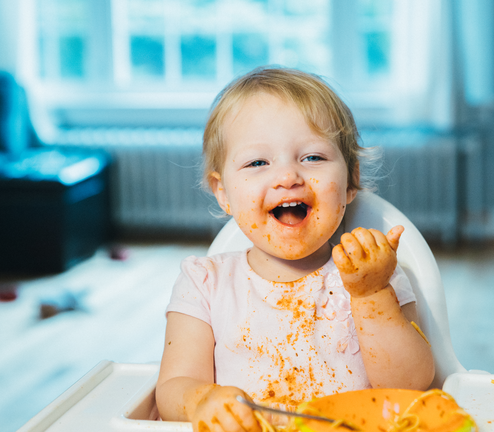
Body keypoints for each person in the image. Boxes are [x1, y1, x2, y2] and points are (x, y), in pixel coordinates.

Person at [156, 67, 435, 432]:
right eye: (258, 162)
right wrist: (201, 400)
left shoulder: (371, 273)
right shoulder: (205, 283)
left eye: (312, 158)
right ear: (222, 191)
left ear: (351, 181)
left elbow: (411, 387)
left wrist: (371, 294)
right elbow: (172, 388)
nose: (288, 177)